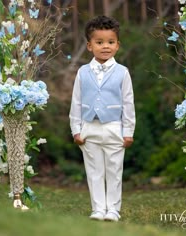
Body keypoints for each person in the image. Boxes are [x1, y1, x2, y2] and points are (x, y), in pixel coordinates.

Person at [69, 15, 135, 222]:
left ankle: (113, 210)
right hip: (89, 128)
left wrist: (128, 131)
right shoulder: (82, 72)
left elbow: (128, 104)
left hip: (114, 128)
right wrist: (76, 130)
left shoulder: (122, 73)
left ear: (117, 45)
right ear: (89, 46)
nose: (105, 47)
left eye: (110, 42)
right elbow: (76, 103)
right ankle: (98, 209)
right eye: (99, 42)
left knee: (114, 170)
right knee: (94, 171)